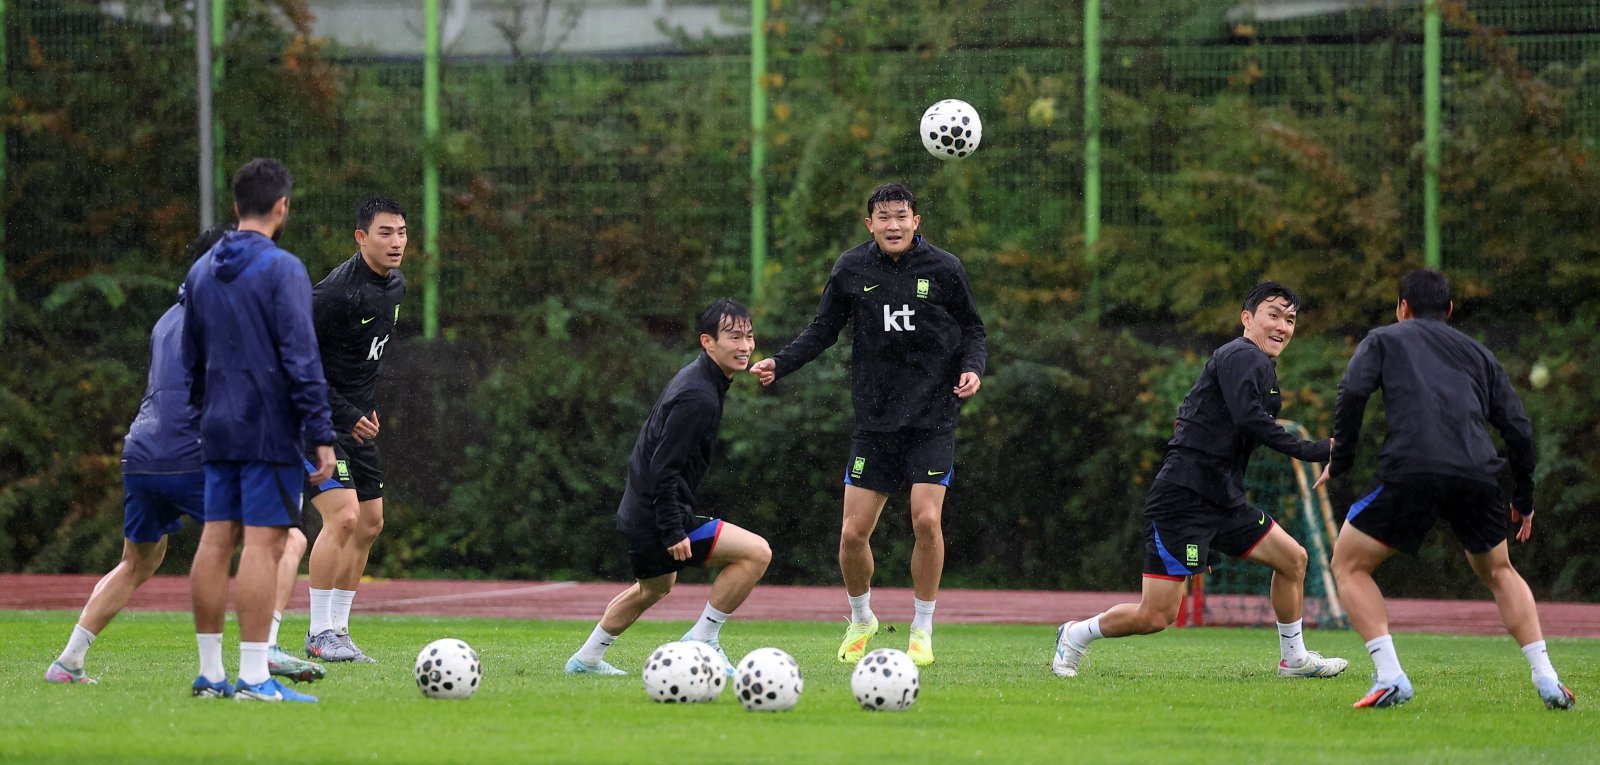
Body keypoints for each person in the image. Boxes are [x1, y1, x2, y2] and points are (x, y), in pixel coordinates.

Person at [44, 225, 323, 686]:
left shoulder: (166, 318)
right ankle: (264, 652)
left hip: (141, 453)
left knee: (137, 562)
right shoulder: (230, 316)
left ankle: (68, 661)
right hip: (193, 451)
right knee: (284, 540)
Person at [1052, 282, 1348, 680]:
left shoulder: (1257, 365)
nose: (1282, 326)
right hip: (1184, 499)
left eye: (1290, 319)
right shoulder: (1244, 355)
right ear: (1247, 319)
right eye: (1273, 315)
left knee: (1293, 559)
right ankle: (1074, 635)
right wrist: (1315, 449)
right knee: (1155, 615)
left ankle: (1293, 660)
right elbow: (1249, 420)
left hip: (1222, 499)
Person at [749, 183, 986, 667]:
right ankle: (862, 619)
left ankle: (922, 627)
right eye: (883, 217)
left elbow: (973, 329)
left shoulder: (944, 269)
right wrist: (781, 363)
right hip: (875, 423)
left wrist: (973, 367)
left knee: (926, 519)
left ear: (917, 221)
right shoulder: (851, 268)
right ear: (869, 224)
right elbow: (822, 330)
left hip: (931, 417)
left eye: (901, 216)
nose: (893, 225)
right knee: (853, 535)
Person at [1315, 268, 1574, 710]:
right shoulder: (1479, 354)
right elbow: (1518, 429)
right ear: (1449, 310)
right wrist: (1523, 499)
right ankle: (1547, 676)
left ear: (1403, 308)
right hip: (1477, 473)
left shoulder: (1383, 339)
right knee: (1499, 571)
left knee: (1349, 565)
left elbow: (1353, 392)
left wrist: (1339, 461)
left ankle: (1390, 674)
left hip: (1412, 469)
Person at [183, 158, 337, 702]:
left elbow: (190, 356)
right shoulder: (283, 269)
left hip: (218, 425)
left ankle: (210, 673)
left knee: (215, 536)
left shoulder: (200, 272)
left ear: (235, 205)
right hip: (268, 426)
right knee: (264, 543)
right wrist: (320, 432)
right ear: (282, 207)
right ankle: (252, 676)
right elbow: (301, 356)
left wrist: (206, 414)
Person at [566, 299, 772, 676]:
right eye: (734, 337)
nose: (744, 346)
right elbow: (663, 466)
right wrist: (672, 528)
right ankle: (704, 638)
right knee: (756, 553)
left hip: (642, 510)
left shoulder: (704, 379)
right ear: (707, 342)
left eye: (749, 336)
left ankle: (586, 660)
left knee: (653, 589)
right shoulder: (698, 395)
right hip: (657, 513)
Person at [300, 198, 408, 664]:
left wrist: (364, 409)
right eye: (385, 233)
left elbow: (361, 361)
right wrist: (344, 412)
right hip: (311, 418)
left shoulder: (396, 286)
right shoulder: (333, 295)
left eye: (402, 232)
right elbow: (297, 364)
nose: (397, 242)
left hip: (354, 421)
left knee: (370, 522)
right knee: (342, 516)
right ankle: (317, 632)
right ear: (361, 237)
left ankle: (340, 632)